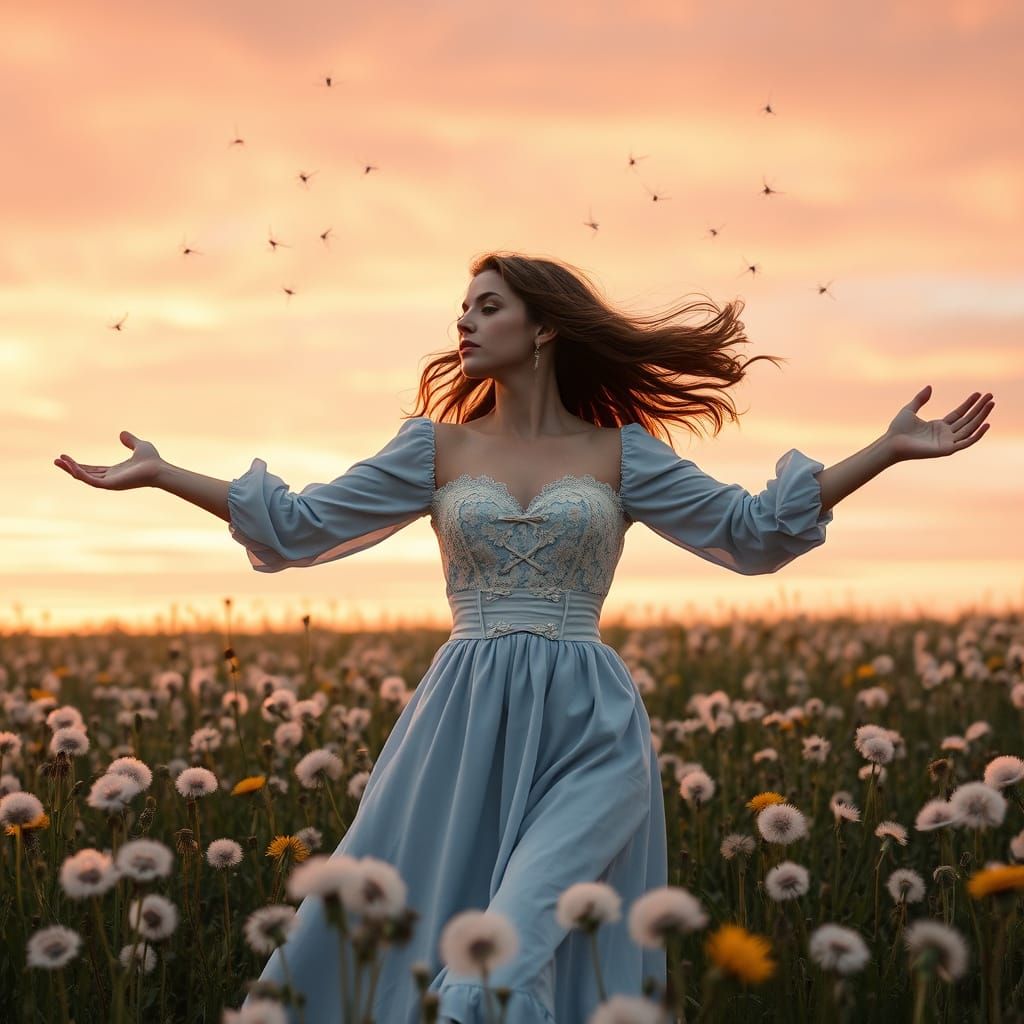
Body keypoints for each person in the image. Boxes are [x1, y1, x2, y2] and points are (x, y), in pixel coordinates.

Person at [54, 252, 994, 1023]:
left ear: (543, 328)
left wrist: (886, 451)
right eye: (461, 310)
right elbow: (299, 525)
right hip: (461, 728)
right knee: (431, 951)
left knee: (503, 957)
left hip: (592, 729)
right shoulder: (433, 448)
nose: (464, 324)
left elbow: (751, 531)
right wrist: (164, 473)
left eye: (487, 307)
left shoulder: (622, 453)